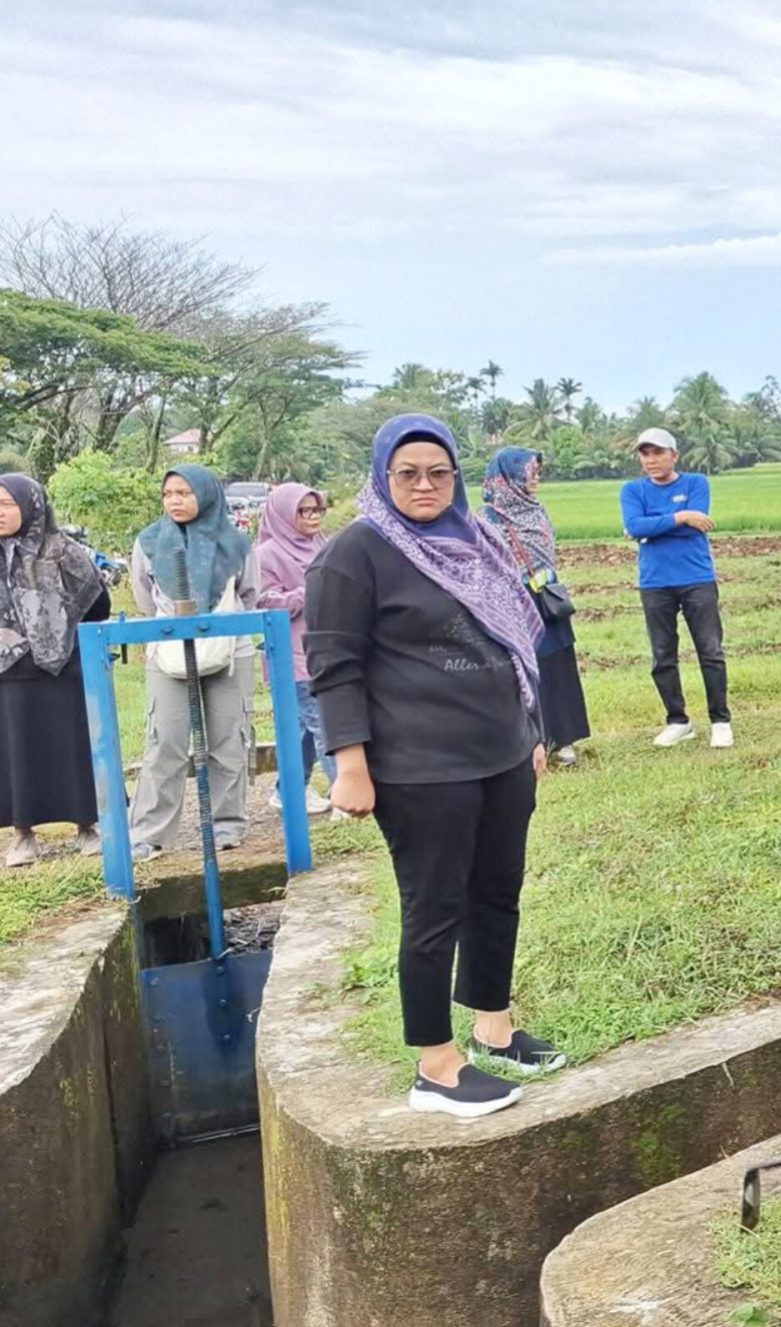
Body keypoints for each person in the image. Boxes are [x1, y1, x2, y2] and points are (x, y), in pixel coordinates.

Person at [309, 414, 562, 1118]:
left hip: (501, 752)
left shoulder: (476, 539)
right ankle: (437, 1066)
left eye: (438, 473)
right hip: (419, 765)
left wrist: (532, 730)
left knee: (498, 890)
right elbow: (333, 666)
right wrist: (350, 765)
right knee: (434, 908)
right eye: (408, 474)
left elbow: (514, 645)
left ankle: (493, 1026)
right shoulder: (355, 553)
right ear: (383, 477)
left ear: (456, 477)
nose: (424, 485)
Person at [129, 463, 262, 859]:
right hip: (168, 650)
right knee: (164, 740)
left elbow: (249, 593)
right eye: (168, 494)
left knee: (228, 737)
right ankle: (150, 833)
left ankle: (227, 825)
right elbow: (145, 598)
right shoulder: (148, 542)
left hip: (230, 651)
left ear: (204, 495)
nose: (175, 501)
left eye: (184, 493)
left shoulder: (236, 543)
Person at [0, 474, 110, 868]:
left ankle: (88, 826)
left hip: (63, 668)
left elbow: (97, 603)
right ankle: (23, 835)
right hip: (8, 672)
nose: (0, 513)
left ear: (31, 506)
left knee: (73, 746)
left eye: (7, 504)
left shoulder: (63, 551)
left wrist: (57, 631)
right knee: (16, 753)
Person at [622, 428, 732, 748]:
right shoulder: (632, 490)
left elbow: (697, 524)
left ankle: (720, 720)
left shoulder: (696, 483)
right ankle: (678, 721)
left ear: (674, 455)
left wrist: (652, 528)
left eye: (658, 452)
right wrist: (682, 516)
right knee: (662, 655)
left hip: (697, 578)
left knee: (710, 651)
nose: (651, 460)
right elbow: (635, 526)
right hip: (655, 582)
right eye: (645, 454)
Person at [483, 449, 591, 765]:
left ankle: (564, 740)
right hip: (513, 603)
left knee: (557, 665)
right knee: (523, 670)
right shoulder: (487, 519)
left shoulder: (537, 510)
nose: (536, 478)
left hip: (546, 599)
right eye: (531, 471)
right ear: (510, 476)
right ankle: (532, 742)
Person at [253, 482, 339, 811]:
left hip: (327, 647)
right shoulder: (266, 554)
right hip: (292, 654)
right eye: (304, 511)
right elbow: (264, 602)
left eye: (318, 509)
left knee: (305, 727)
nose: (313, 517)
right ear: (284, 514)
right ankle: (343, 794)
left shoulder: (322, 545)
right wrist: (309, 590)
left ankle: (288, 790)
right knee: (323, 722)